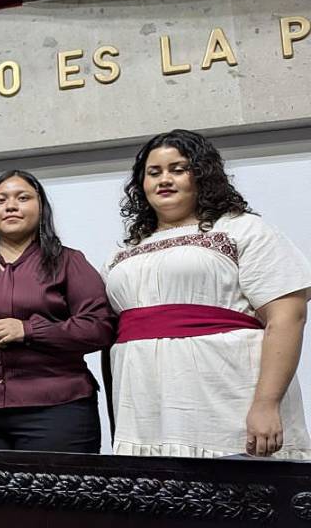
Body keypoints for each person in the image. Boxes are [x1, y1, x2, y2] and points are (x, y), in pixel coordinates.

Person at [104, 129, 311, 458]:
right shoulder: (126, 252)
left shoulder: (242, 229)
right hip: (145, 408)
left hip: (226, 403)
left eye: (178, 169)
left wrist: (266, 404)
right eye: (154, 173)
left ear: (202, 174)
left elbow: (287, 317)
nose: (164, 179)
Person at [0, 170, 115, 453]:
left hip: (58, 408)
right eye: (0, 200)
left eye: (23, 198)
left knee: (59, 496)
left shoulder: (68, 261)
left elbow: (99, 326)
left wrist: (28, 330)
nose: (11, 206)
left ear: (41, 208)